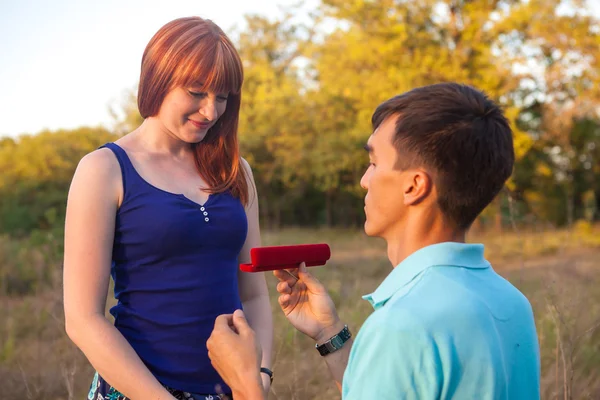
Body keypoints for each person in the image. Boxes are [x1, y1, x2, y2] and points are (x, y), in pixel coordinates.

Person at [206, 83, 541, 399]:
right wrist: (329, 333)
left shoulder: (403, 325)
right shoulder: (512, 303)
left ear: (414, 186)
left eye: (374, 163)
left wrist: (245, 383)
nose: (365, 181)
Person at [63, 17, 273, 400]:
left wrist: (259, 377)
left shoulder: (235, 170)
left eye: (223, 97)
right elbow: (82, 320)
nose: (211, 112)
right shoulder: (103, 169)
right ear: (158, 78)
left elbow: (255, 294)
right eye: (197, 92)